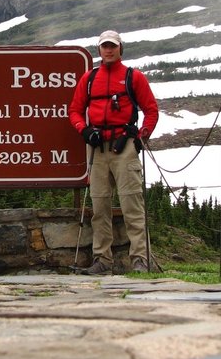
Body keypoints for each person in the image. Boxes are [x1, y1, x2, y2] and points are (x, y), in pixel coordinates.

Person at [68, 30, 159, 275]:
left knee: (132, 204)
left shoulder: (133, 77)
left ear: (120, 49)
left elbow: (151, 110)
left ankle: (140, 259)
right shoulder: (89, 78)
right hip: (97, 148)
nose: (108, 50)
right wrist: (84, 131)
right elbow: (75, 110)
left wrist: (141, 137)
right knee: (100, 207)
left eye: (113, 46)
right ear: (99, 50)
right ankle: (102, 261)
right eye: (104, 46)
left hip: (124, 146)